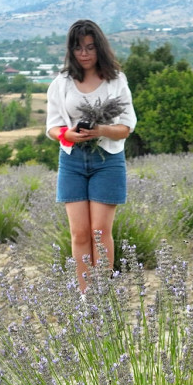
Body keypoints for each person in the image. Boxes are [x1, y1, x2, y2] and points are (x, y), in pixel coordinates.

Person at [45, 18, 137, 291]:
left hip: (107, 160)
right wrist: (67, 134)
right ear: (70, 50)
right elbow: (52, 127)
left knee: (100, 232)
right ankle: (86, 297)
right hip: (72, 160)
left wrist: (100, 130)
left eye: (90, 47)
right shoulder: (61, 83)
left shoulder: (116, 80)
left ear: (100, 48)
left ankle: (103, 293)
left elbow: (126, 128)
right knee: (79, 233)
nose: (84, 54)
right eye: (78, 48)